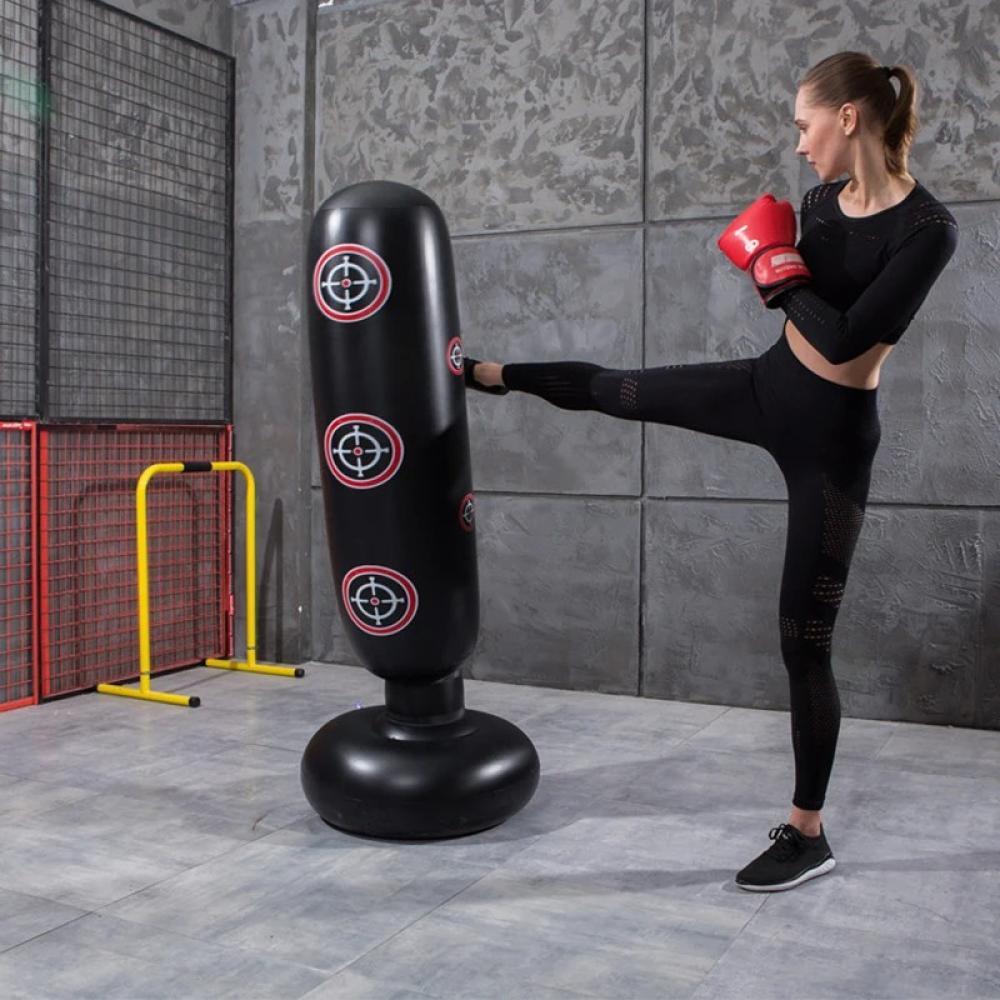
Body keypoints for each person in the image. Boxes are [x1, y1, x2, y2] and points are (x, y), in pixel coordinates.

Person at [463, 50, 959, 892]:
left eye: (804, 125)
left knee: (803, 641)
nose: (798, 144)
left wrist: (770, 268)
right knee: (619, 390)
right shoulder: (817, 204)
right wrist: (780, 269)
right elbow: (805, 318)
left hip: (835, 442)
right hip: (767, 388)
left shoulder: (926, 230)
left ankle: (807, 833)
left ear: (847, 118)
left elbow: (845, 337)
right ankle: (487, 373)